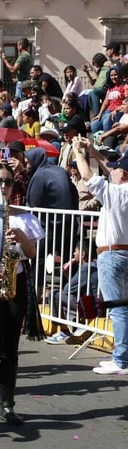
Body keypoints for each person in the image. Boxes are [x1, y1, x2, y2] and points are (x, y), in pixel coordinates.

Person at [0, 164, 44, 424]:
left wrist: (21, 236)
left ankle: (7, 405)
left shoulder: (23, 216)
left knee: (11, 348)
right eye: (0, 181)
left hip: (16, 280)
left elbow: (32, 253)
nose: (4, 186)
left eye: (9, 182)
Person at [71, 139, 128, 375]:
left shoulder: (115, 193)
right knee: (122, 307)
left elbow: (88, 176)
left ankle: (121, 359)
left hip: (113, 255)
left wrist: (77, 152)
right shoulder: (119, 190)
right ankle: (121, 356)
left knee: (118, 309)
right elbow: (107, 168)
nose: (110, 170)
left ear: (123, 174)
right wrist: (92, 151)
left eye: (115, 169)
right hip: (122, 252)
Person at [44, 241, 99, 344]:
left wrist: (65, 270)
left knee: (54, 294)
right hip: (96, 304)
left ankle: (64, 332)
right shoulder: (95, 265)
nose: (74, 254)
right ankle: (78, 329)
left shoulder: (86, 268)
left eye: (75, 251)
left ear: (82, 254)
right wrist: (66, 274)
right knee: (65, 300)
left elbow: (66, 290)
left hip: (90, 306)